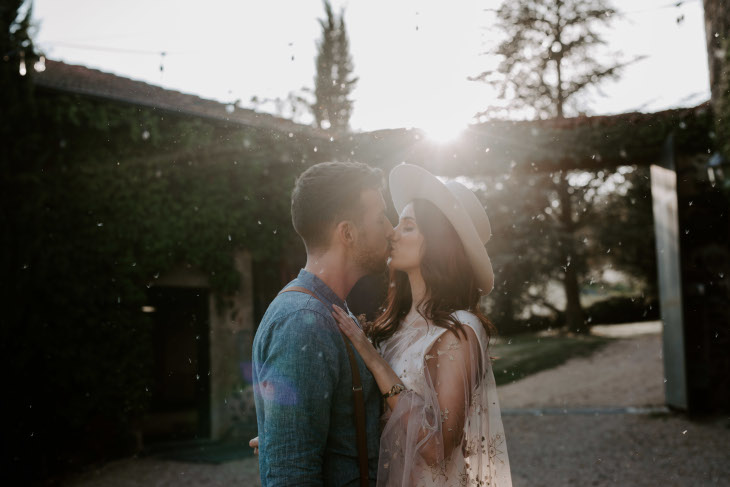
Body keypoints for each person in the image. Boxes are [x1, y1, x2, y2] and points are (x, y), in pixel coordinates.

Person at [332, 164, 513, 486]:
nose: (392, 233)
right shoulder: (392, 326)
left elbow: (437, 446)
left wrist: (375, 362)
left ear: (440, 244)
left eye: (409, 227)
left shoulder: (460, 330)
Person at [251, 161, 393, 486]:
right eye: (380, 218)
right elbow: (292, 474)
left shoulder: (326, 310)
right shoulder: (304, 322)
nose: (390, 229)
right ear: (348, 232)